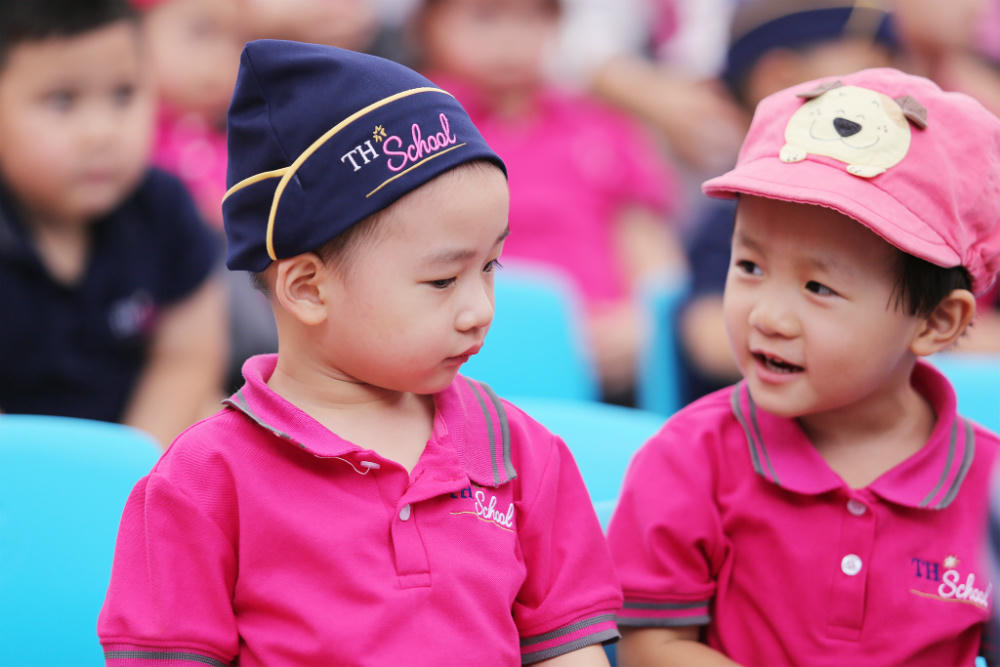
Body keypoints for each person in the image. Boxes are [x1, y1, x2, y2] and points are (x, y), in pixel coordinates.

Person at [98, 40, 621, 666]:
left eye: (491, 266)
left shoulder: (519, 454)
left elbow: (569, 654)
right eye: (443, 280)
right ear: (308, 289)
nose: (480, 308)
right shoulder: (204, 481)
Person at [606, 67, 1000, 666]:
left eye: (818, 287)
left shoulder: (988, 487)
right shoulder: (693, 456)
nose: (768, 316)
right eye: (750, 267)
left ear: (937, 322)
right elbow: (649, 645)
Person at [413, 0, 686, 403]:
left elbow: (651, 253)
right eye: (485, 17)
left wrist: (641, 321)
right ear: (429, 27)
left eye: (532, 18)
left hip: (605, 363)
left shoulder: (602, 126)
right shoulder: (414, 128)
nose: (510, 39)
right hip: (463, 353)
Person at [0, 0, 226, 448]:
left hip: (134, 449)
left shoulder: (162, 206)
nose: (102, 132)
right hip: (17, 461)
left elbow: (187, 355)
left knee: (215, 416)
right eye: (62, 100)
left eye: (123, 95)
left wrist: (130, 464)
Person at [676, 0, 898, 404]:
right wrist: (877, 340)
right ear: (782, 78)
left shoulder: (896, 212)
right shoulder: (736, 209)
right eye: (874, 65)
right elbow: (708, 336)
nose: (898, 88)